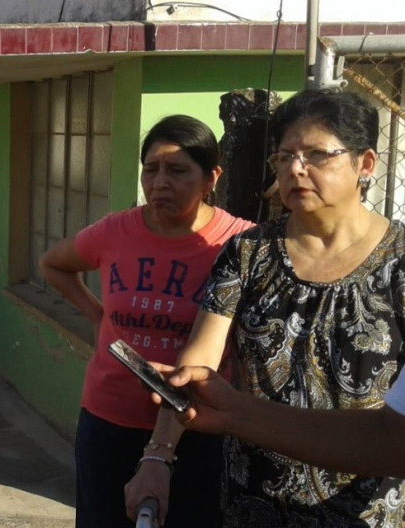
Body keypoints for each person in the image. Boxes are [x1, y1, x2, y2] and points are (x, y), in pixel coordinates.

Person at [126, 89, 405, 527]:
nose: (296, 168)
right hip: (251, 502)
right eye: (284, 156)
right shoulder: (249, 252)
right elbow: (198, 361)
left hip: (367, 511)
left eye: (317, 155)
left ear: (365, 164)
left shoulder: (400, 264)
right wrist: (157, 458)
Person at [39, 115, 254, 528]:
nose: (159, 183)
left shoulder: (237, 242)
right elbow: (52, 264)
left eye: (177, 171)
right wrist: (98, 317)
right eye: (151, 169)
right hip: (109, 419)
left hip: (197, 425)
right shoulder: (115, 232)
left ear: (212, 177)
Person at [146, 364, 405, 478]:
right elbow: (390, 438)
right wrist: (158, 456)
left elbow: (391, 442)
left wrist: (235, 414)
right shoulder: (246, 254)